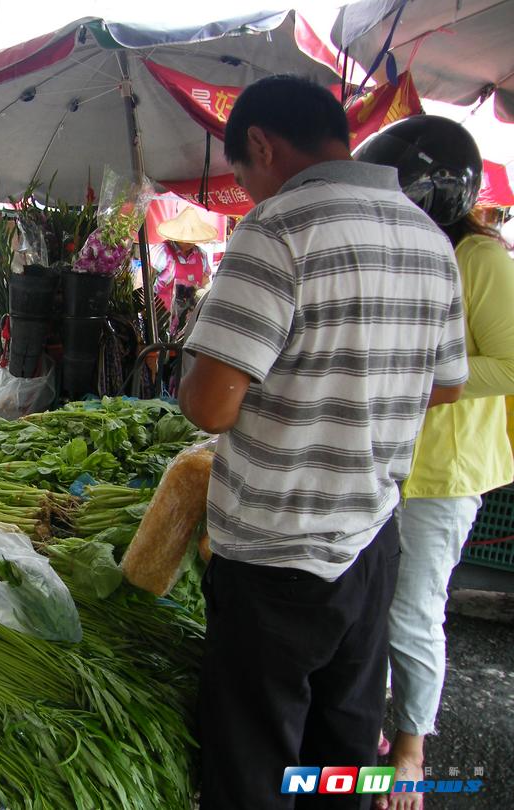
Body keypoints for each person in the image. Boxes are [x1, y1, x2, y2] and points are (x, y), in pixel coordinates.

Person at [177, 76, 467, 810]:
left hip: (276, 556)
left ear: (261, 145)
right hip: (372, 543)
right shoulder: (428, 236)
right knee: (342, 752)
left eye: (241, 174)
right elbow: (448, 386)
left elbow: (211, 407)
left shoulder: (278, 229)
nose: (245, 189)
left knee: (254, 763)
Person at [356, 116, 514, 810]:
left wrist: (427, 378)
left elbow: (509, 361)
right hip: (386, 457)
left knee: (412, 610)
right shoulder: (412, 250)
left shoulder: (480, 259)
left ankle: (412, 749)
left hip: (445, 469)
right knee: (369, 600)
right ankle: (374, 723)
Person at [151, 207, 216, 336]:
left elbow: (205, 282)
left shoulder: (201, 255)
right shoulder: (161, 251)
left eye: (191, 238)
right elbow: (146, 283)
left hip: (188, 319)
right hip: (159, 317)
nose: (188, 242)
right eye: (184, 237)